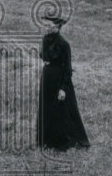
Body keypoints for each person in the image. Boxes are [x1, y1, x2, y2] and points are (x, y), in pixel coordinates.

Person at [36, 12, 90, 150]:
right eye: (45, 25)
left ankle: (62, 142)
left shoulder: (64, 44)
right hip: (47, 79)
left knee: (61, 110)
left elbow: (68, 68)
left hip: (59, 80)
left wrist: (63, 88)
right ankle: (46, 141)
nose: (46, 27)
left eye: (49, 25)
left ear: (57, 27)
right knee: (47, 109)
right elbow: (43, 57)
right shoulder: (45, 40)